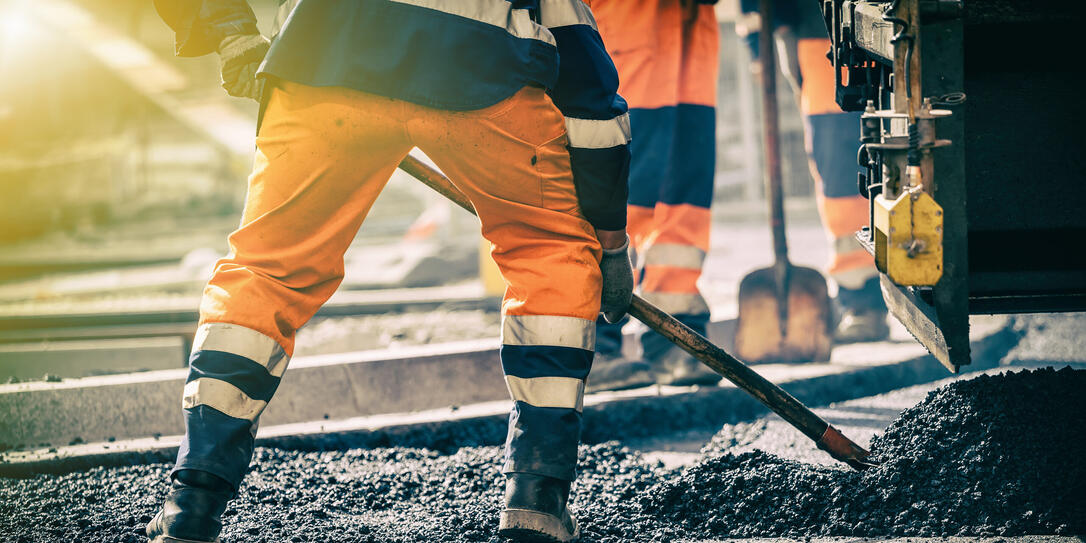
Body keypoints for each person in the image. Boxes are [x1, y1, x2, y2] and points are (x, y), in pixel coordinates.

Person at [146, 1, 633, 542]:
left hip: (327, 52)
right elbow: (587, 85)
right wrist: (608, 242)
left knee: (268, 270)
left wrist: (228, 32)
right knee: (549, 253)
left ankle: (191, 500)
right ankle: (537, 500)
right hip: (481, 60)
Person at [585, 0, 724, 393]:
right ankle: (589, 345)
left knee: (685, 186)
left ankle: (673, 336)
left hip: (690, 20)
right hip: (625, 18)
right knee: (620, 173)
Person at [739, 0, 889, 342]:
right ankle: (862, 298)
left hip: (898, 26)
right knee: (842, 174)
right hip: (822, 33)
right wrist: (763, 42)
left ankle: (904, 292)